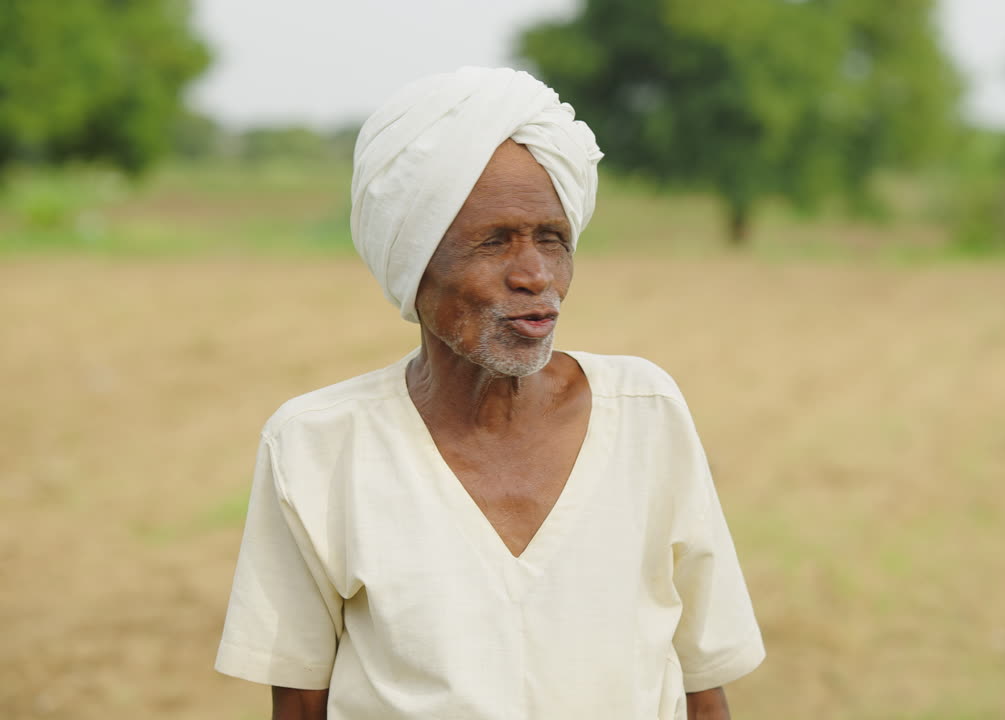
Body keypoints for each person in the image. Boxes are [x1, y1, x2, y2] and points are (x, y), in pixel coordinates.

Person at [214, 67, 764, 720]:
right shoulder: (317, 445)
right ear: (412, 261)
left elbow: (703, 687)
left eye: (552, 239)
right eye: (494, 242)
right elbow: (301, 704)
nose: (535, 275)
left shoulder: (645, 411)